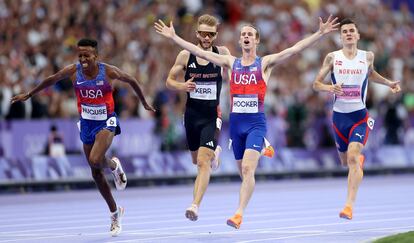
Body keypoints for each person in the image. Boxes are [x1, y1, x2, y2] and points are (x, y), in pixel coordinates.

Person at [155, 15, 339, 229]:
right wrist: (174, 37)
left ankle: (238, 213)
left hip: (255, 123)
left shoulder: (265, 63)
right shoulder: (230, 63)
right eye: (243, 34)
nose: (245, 37)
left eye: (250, 34)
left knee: (248, 170)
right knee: (240, 169)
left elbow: (294, 49)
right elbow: (198, 52)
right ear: (240, 40)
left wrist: (320, 33)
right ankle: (257, 150)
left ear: (256, 40)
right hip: (236, 125)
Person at [11, 38, 155, 236]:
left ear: (96, 56)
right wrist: (29, 93)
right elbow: (52, 79)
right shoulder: (73, 71)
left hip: (106, 121)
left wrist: (144, 102)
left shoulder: (109, 71)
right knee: (95, 172)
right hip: (86, 123)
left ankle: (112, 166)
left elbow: (132, 80)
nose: (82, 59)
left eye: (86, 55)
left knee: (95, 159)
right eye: (80, 55)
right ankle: (115, 211)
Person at [312, 19, 401, 220]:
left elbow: (370, 74)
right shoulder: (332, 58)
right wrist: (329, 88)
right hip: (338, 118)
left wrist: (388, 83)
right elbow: (316, 84)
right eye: (345, 31)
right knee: (345, 162)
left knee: (352, 157)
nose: (349, 34)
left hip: (359, 117)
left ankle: (348, 206)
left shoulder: (367, 56)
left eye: (352, 30)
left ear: (358, 35)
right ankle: (357, 160)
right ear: (341, 36)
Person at [165, 14, 230, 221]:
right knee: (196, 160)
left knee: (203, 162)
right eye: (203, 33)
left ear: (215, 35)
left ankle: (195, 205)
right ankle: (215, 152)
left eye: (210, 34)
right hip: (192, 116)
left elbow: (235, 72)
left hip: (212, 116)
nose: (207, 38)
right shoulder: (185, 56)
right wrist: (182, 86)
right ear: (197, 34)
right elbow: (169, 81)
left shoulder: (222, 54)